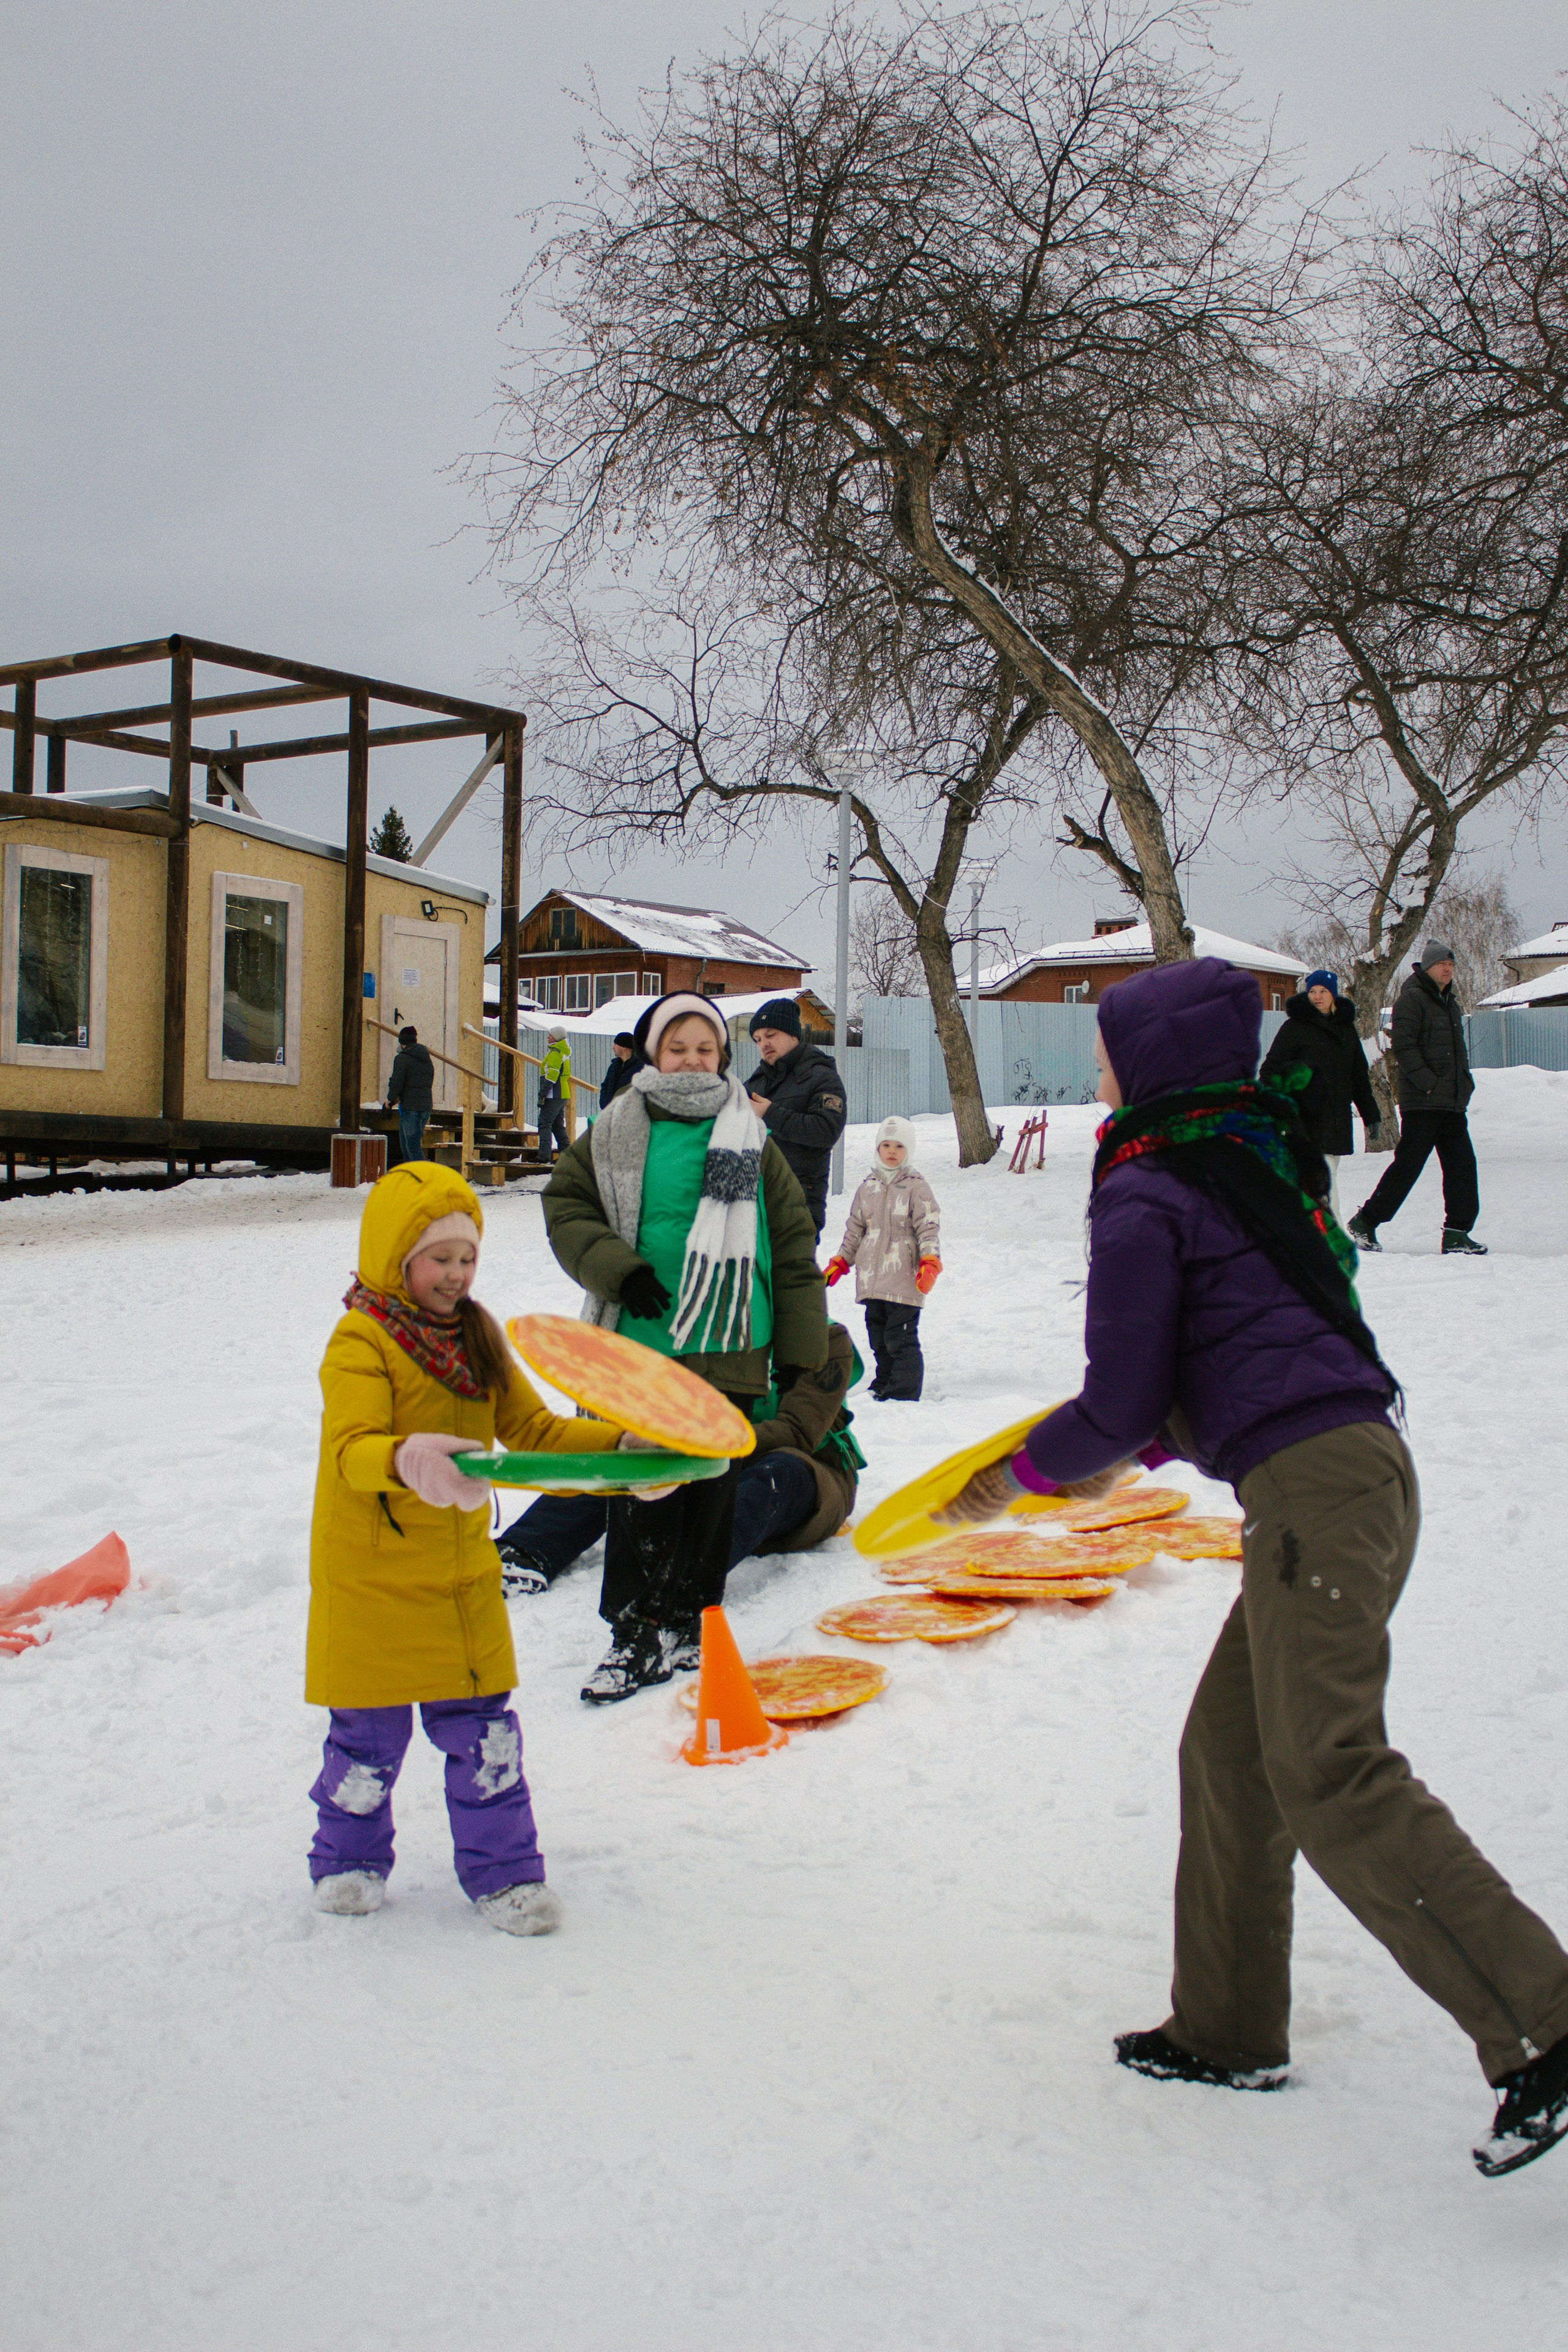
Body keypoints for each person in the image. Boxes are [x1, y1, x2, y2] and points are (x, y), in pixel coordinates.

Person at [935, 957, 1568, 2177]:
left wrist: (1010, 1478)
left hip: (1313, 1497)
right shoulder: (1251, 1157)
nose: (1098, 1070)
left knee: (1326, 1769)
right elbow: (1235, 1352)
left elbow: (1118, 1400)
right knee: (1229, 1755)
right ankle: (1226, 2027)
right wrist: (1154, 1440)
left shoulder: (1144, 1187)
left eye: (1108, 1049)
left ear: (1150, 1063)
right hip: (1352, 1473)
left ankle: (1545, 2021)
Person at [304, 1163, 627, 1932]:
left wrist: (622, 1451)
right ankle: (347, 1856)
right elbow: (353, 1447)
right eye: (438, 1258)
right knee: (366, 1744)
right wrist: (406, 1458)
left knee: (486, 1738)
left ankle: (505, 1875)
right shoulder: (361, 1340)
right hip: (372, 1577)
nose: (456, 1274)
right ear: (395, 1257)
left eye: (467, 1257)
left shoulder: (477, 1335)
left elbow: (537, 1432)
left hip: (459, 1579)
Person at [543, 989, 827, 1701]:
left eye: (705, 1048)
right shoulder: (615, 1126)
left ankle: (690, 1622)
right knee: (642, 1487)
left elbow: (790, 1243)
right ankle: (634, 1631)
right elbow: (565, 1203)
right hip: (642, 1344)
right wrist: (617, 1268)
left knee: (709, 1488)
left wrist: (801, 1348)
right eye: (678, 1047)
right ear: (652, 1052)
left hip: (730, 1339)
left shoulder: (751, 1134)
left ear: (722, 1056)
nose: (693, 1059)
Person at [494, 1322, 865, 1593]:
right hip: (709, 1464)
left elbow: (798, 1431)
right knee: (635, 1459)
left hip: (810, 1473)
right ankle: (523, 1551)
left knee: (779, 1471)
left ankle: (686, 1576)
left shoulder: (826, 1339)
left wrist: (705, 1443)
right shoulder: (706, 1332)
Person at [1349, 941, 1485, 1256]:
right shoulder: (1412, 999)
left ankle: (1456, 1233)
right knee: (1408, 1166)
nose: (1448, 969)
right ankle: (1366, 1221)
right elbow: (1405, 1048)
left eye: (1451, 964)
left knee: (1463, 1167)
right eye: (1442, 964)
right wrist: (1428, 1084)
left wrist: (1463, 1084)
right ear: (1427, 968)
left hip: (1451, 1102)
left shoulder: (1449, 1002)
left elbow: (1457, 1052)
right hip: (1423, 1103)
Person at [824, 1115, 941, 1400]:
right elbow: (856, 1229)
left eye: (899, 1147)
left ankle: (903, 1391)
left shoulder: (916, 1186)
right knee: (878, 1336)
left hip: (903, 1277)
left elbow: (928, 1228)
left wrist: (929, 1262)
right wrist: (841, 1261)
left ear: (909, 1151)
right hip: (872, 1278)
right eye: (886, 1145)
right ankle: (885, 1381)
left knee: (899, 1337)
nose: (892, 1152)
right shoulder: (868, 1187)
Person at [1259, 970, 1379, 1224]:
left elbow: (1358, 1077)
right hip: (1304, 1117)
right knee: (1324, 1175)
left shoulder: (1346, 1031)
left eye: (1323, 991)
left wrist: (1370, 1114)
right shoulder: (1295, 1028)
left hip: (1336, 1116)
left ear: (1333, 994)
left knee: (1324, 1173)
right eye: (1312, 991)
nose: (1317, 996)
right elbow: (1271, 1070)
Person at [745, 997, 847, 1242]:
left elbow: (826, 1131)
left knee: (792, 1278)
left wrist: (769, 1114)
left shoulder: (822, 1077)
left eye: (771, 1035)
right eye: (758, 1039)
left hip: (798, 1200)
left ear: (793, 1034)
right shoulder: (755, 1083)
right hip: (752, 1203)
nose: (764, 1044)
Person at [384, 1024, 434, 1164]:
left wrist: (389, 1100)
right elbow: (418, 1083)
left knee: (412, 1147)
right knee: (407, 1147)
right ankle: (412, 1179)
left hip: (411, 1109)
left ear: (402, 1042)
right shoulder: (426, 1058)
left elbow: (397, 1083)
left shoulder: (402, 1058)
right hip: (425, 1107)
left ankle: (422, 1179)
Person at [537, 1025, 572, 1163]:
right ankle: (567, 1157)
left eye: (550, 1035)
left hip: (554, 1094)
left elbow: (552, 1075)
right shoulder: (563, 1052)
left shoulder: (555, 1053)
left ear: (556, 1038)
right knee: (558, 1126)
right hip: (562, 1094)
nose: (548, 1037)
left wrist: (543, 1093)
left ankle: (543, 1156)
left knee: (544, 1123)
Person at [599, 1031, 639, 1110]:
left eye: (615, 1045)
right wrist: (605, 1103)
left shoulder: (640, 1068)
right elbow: (605, 1086)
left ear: (624, 1047)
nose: (613, 1048)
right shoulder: (614, 1066)